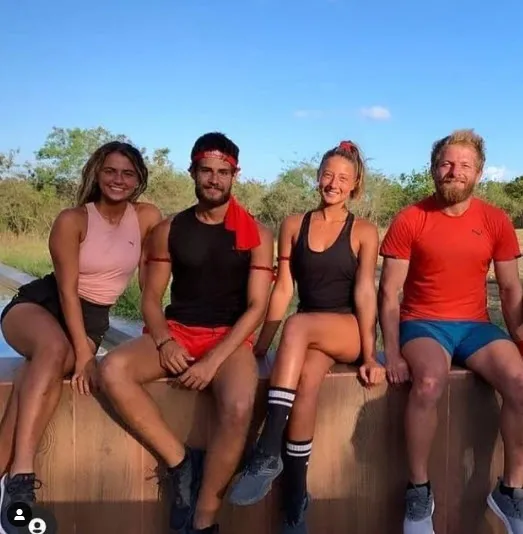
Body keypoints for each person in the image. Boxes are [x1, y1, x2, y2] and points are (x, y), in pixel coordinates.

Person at [98, 132, 274, 534]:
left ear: (235, 175)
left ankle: (204, 518)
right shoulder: (169, 229)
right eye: (206, 171)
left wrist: (213, 361)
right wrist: (163, 340)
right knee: (112, 370)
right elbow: (150, 298)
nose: (214, 179)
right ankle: (180, 463)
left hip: (230, 338)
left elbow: (257, 307)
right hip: (179, 330)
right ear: (192, 172)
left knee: (238, 407)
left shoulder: (257, 234)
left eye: (223, 172)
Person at [0, 141, 162, 531]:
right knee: (53, 350)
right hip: (41, 305)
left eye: (128, 173)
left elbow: (150, 284)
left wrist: (159, 333)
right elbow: (67, 293)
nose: (118, 179)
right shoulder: (72, 220)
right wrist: (85, 356)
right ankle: (21, 475)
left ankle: (5, 483)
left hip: (93, 320)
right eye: (111, 171)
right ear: (97, 173)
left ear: (139, 179)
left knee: (34, 375)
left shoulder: (146, 217)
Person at [228, 140, 386, 533]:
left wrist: (370, 355)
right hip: (310, 333)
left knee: (297, 326)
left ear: (355, 184)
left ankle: (268, 449)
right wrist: (262, 344)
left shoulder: (364, 230)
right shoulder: (293, 225)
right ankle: (295, 502)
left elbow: (366, 292)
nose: (334, 183)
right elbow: (284, 288)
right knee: (306, 384)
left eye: (343, 178)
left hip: (347, 329)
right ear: (317, 177)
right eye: (328, 175)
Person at [378, 129, 523, 534]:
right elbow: (388, 292)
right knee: (427, 382)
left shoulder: (495, 220)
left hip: (476, 326)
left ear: (478, 173)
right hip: (423, 323)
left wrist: (520, 339)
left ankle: (511, 490)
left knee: (520, 381)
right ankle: (418, 493)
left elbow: (510, 289)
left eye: (464, 165)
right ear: (433, 169)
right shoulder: (411, 218)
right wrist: (392, 351)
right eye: (446, 163)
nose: (454, 171)